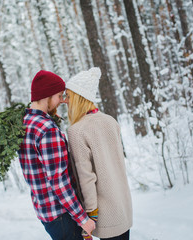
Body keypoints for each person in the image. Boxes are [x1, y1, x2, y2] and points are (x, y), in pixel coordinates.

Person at [18, 70, 96, 240]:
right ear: (48, 95)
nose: (62, 100)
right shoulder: (47, 130)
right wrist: (82, 219)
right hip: (62, 214)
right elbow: (59, 182)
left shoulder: (25, 122)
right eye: (59, 95)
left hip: (46, 211)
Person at [65, 67, 133, 240]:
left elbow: (87, 178)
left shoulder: (77, 131)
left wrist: (90, 215)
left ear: (79, 98)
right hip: (123, 207)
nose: (65, 101)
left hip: (105, 214)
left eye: (69, 96)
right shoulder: (110, 121)